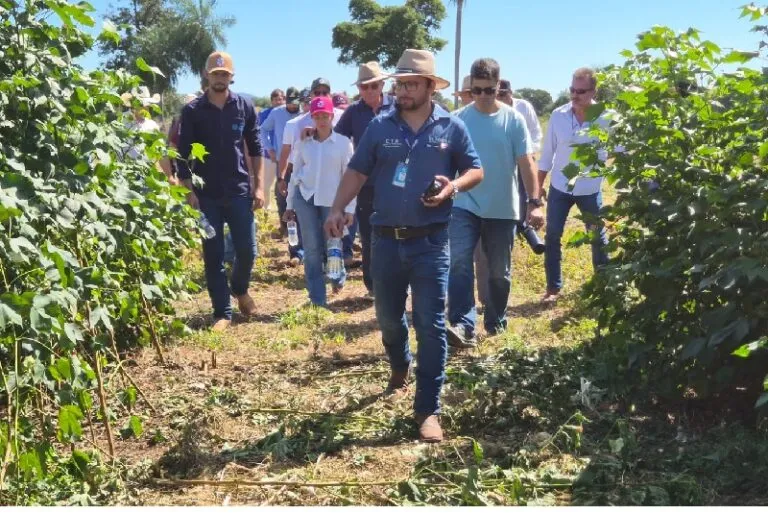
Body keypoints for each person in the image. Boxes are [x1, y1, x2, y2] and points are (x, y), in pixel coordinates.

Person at [325, 49, 483, 443]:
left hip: (431, 242)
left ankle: (427, 408)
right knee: (389, 318)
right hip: (385, 242)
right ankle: (399, 362)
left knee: (430, 325)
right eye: (400, 83)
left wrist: (452, 187)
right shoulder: (380, 127)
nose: (403, 90)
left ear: (431, 86)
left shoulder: (452, 127)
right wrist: (336, 207)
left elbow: (475, 169)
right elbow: (358, 171)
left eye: (412, 83)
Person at [448, 59, 544, 347]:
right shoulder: (458, 119)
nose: (482, 96)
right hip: (464, 204)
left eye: (488, 90)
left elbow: (526, 163)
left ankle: (496, 321)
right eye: (476, 90)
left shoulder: (512, 119)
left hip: (503, 208)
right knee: (459, 263)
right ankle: (463, 324)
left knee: (499, 272)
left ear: (498, 86)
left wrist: (535, 202)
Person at [176, 51, 264, 331]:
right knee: (213, 254)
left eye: (224, 74)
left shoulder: (244, 106)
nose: (219, 78)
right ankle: (222, 313)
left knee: (248, 250)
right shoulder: (192, 111)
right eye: (215, 74)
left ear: (231, 76)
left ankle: (239, 288)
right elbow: (182, 154)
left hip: (239, 190)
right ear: (207, 75)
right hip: (207, 195)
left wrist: (259, 185)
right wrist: (189, 191)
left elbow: (256, 147)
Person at [539, 67, 610, 303]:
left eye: (581, 91)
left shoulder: (606, 118)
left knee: (597, 237)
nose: (575, 95)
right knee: (552, 236)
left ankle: (604, 285)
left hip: (590, 189)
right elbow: (547, 154)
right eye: (572, 89)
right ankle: (553, 289)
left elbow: (621, 151)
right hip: (560, 187)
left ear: (593, 91)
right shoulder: (559, 116)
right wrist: (537, 187)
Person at [283, 96, 355, 306]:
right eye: (317, 116)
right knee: (312, 247)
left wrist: (348, 209)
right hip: (305, 198)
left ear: (332, 116)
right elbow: (295, 173)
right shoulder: (304, 142)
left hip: (332, 201)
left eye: (326, 116)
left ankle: (337, 275)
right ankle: (317, 298)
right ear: (312, 117)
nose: (322, 120)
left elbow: (349, 177)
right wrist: (289, 204)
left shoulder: (343, 144)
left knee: (332, 241)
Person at [333, 61, 393, 297]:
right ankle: (373, 285)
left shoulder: (397, 108)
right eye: (364, 86)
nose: (369, 91)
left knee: (396, 233)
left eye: (373, 85)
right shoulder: (353, 112)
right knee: (368, 237)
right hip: (365, 184)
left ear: (382, 85)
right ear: (358, 88)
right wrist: (314, 133)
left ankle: (395, 281)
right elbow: (336, 140)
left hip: (395, 184)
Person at [260, 87, 302, 235]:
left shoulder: (304, 113)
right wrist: (269, 148)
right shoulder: (277, 113)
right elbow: (263, 129)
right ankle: (285, 227)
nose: (292, 106)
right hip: (282, 160)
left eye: (295, 103)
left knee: (300, 195)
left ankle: (300, 228)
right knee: (281, 194)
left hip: (301, 161)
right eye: (289, 103)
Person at [258, 88, 286, 211]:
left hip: (285, 154)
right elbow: (262, 131)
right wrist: (269, 149)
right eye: (275, 99)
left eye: (280, 99)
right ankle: (266, 207)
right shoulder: (265, 113)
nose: (278, 102)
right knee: (266, 183)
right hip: (269, 154)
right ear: (271, 101)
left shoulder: (289, 112)